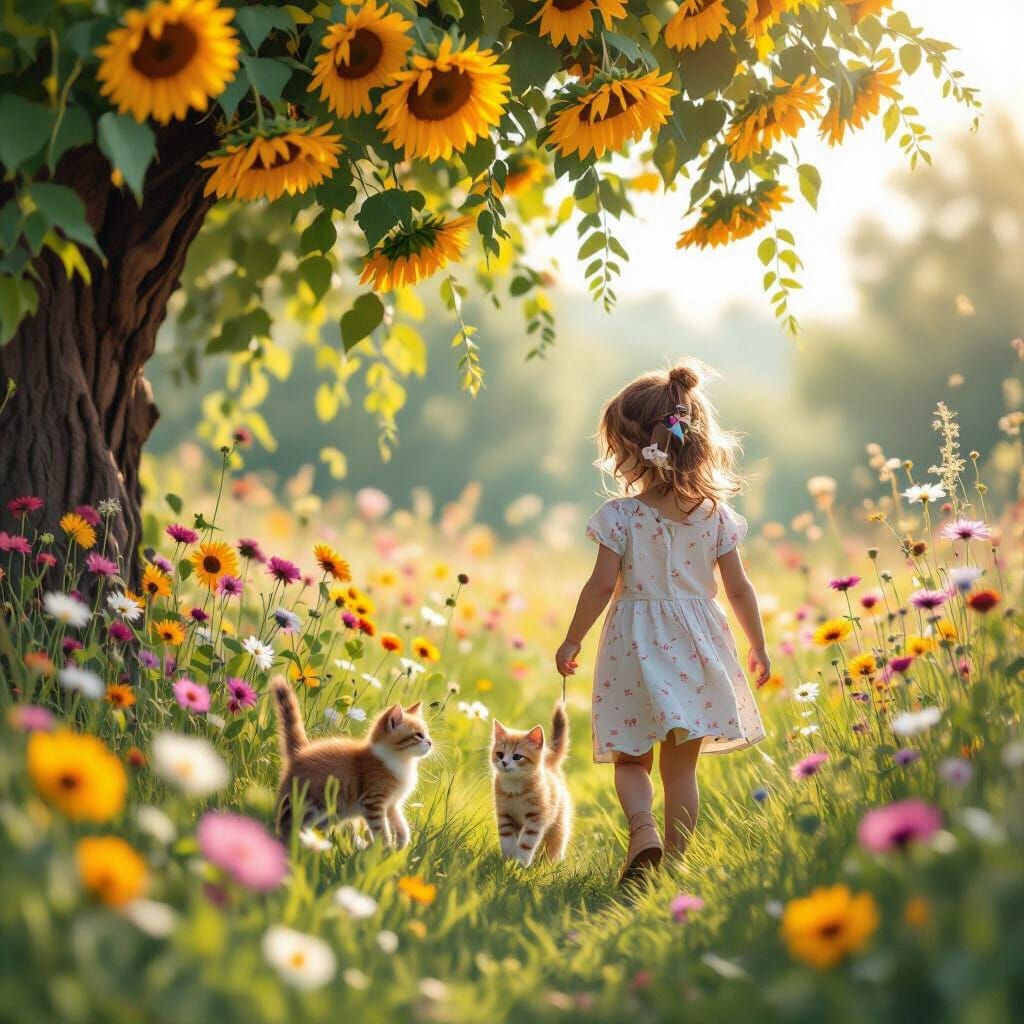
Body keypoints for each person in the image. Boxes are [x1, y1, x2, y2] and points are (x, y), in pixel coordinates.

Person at [555, 361, 768, 886]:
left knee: (632, 761)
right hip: (698, 647)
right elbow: (739, 588)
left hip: (633, 645)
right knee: (682, 771)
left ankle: (642, 830)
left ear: (632, 449)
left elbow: (602, 586)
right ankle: (672, 869)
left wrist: (573, 637)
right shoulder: (716, 516)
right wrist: (758, 644)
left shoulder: (620, 517)